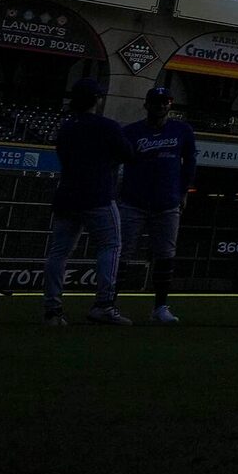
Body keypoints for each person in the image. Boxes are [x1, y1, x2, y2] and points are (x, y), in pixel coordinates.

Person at [44, 79, 132, 326]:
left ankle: (52, 309)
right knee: (111, 246)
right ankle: (103, 305)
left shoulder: (67, 127)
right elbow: (129, 154)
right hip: (98, 195)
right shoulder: (107, 126)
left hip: (67, 194)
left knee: (58, 253)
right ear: (97, 99)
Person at [120, 85, 198, 324]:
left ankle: (161, 306)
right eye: (156, 102)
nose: (161, 105)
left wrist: (184, 191)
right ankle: (108, 302)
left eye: (165, 101)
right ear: (147, 105)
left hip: (166, 202)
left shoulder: (182, 130)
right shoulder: (131, 131)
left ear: (170, 104)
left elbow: (190, 162)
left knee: (165, 255)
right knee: (122, 253)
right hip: (134, 200)